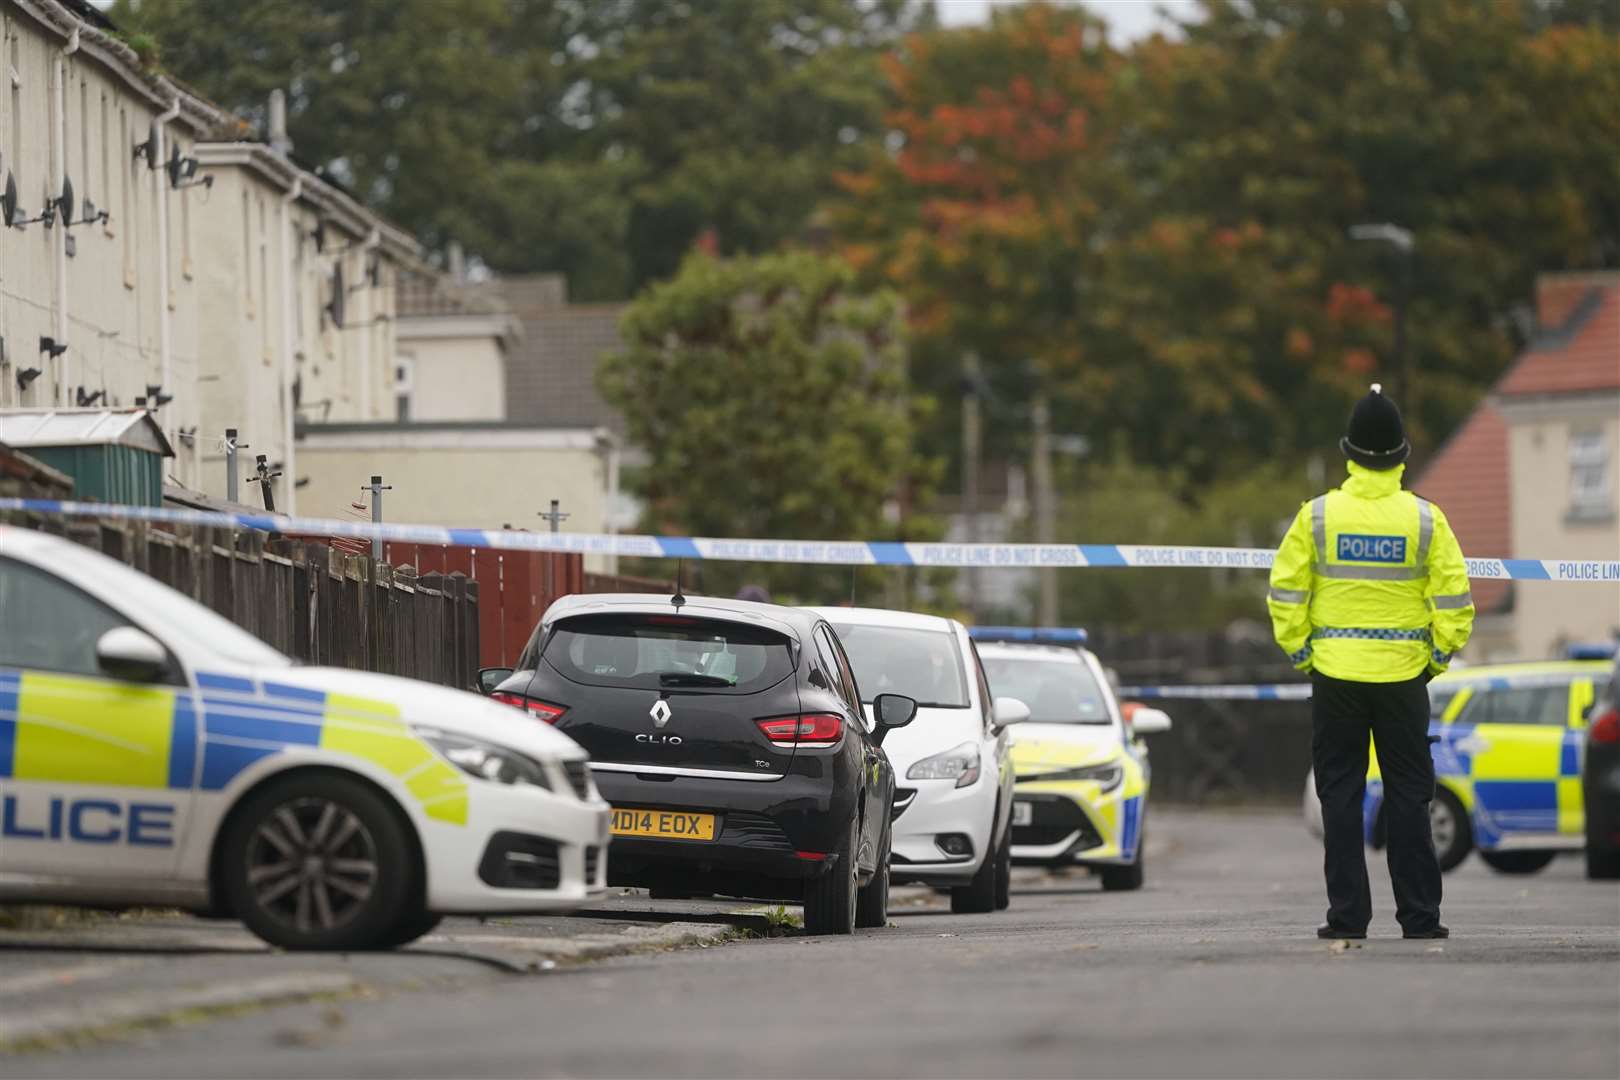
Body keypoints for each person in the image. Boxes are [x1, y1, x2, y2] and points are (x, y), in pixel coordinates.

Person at [1267, 383, 1475, 940]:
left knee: (1340, 795)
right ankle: (1420, 917)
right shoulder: (1426, 520)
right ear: (1402, 455)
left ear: (1349, 453)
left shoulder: (1316, 518)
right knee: (1410, 797)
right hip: (1405, 678)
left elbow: (1285, 590)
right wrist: (1435, 658)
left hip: (1335, 676)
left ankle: (1347, 917)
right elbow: (1455, 598)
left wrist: (1303, 652)